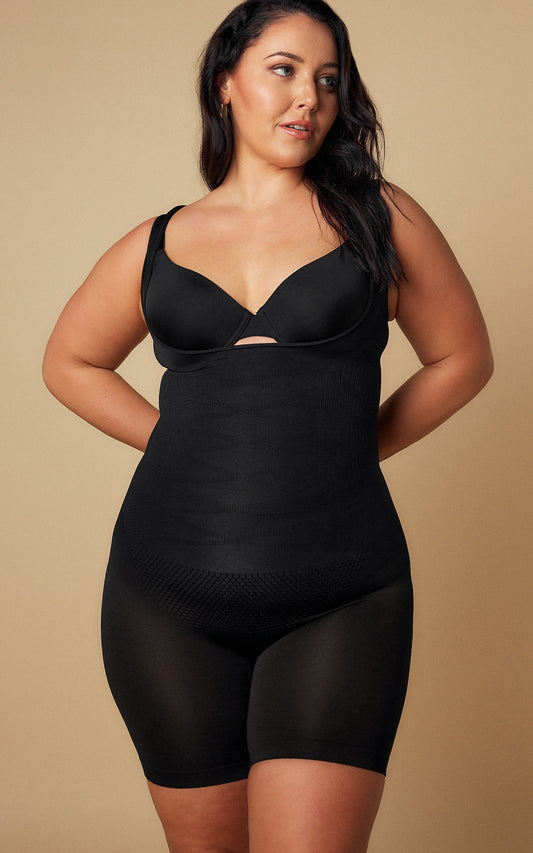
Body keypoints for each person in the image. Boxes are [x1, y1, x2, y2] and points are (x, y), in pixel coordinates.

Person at [42, 1, 494, 851]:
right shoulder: (159, 240)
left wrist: (350, 449)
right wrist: (173, 443)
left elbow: (461, 357)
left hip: (340, 596)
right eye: (283, 70)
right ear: (225, 84)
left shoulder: (377, 217)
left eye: (328, 79)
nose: (308, 98)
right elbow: (68, 361)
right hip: (162, 598)